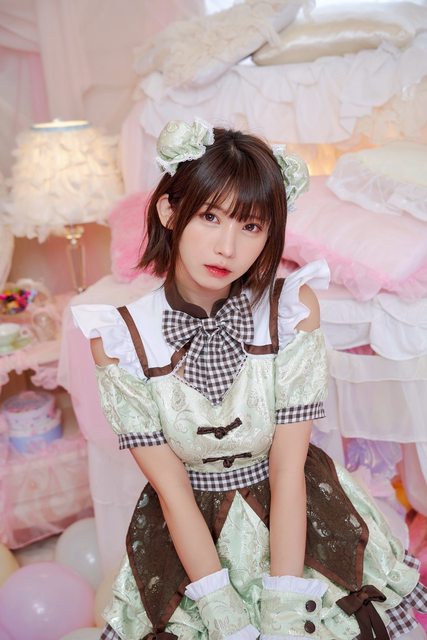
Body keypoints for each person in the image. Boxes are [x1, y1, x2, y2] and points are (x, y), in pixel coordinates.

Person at [72, 119, 427, 640]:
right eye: (210, 217)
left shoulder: (291, 311)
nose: (227, 247)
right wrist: (225, 616)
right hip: (190, 540)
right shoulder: (122, 339)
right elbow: (171, 489)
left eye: (251, 226)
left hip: (299, 519)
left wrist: (284, 606)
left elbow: (287, 467)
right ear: (169, 212)